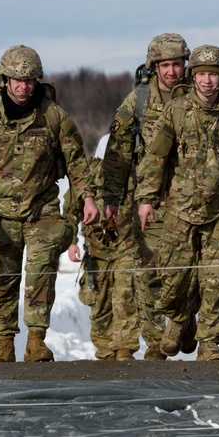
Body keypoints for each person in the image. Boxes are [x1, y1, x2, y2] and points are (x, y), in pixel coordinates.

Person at [0, 44, 97, 363]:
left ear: (37, 81)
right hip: (1, 216)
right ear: (5, 80)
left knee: (40, 275)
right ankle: (4, 346)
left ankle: (36, 342)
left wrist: (87, 196)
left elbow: (77, 163)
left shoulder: (54, 117)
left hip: (42, 213)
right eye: (17, 80)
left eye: (30, 80)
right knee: (1, 281)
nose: (23, 86)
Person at [135, 44, 219, 361]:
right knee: (174, 277)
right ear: (193, 76)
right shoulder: (177, 111)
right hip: (179, 210)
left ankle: (210, 343)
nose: (208, 81)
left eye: (214, 74)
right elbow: (156, 158)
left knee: (214, 278)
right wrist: (147, 199)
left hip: (218, 211)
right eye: (202, 74)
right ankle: (178, 319)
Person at [101, 33, 192, 360]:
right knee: (150, 269)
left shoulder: (199, 96)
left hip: (193, 199)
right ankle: (156, 342)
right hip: (149, 200)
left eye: (177, 64)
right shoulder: (137, 101)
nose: (171, 71)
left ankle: (185, 317)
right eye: (165, 65)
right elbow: (118, 151)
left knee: (189, 268)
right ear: (154, 67)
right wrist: (110, 196)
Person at [65, 135, 144, 361]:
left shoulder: (136, 173)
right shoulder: (87, 176)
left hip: (127, 248)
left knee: (126, 298)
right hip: (96, 251)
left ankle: (124, 350)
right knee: (99, 304)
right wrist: (71, 241)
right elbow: (71, 208)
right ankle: (106, 353)